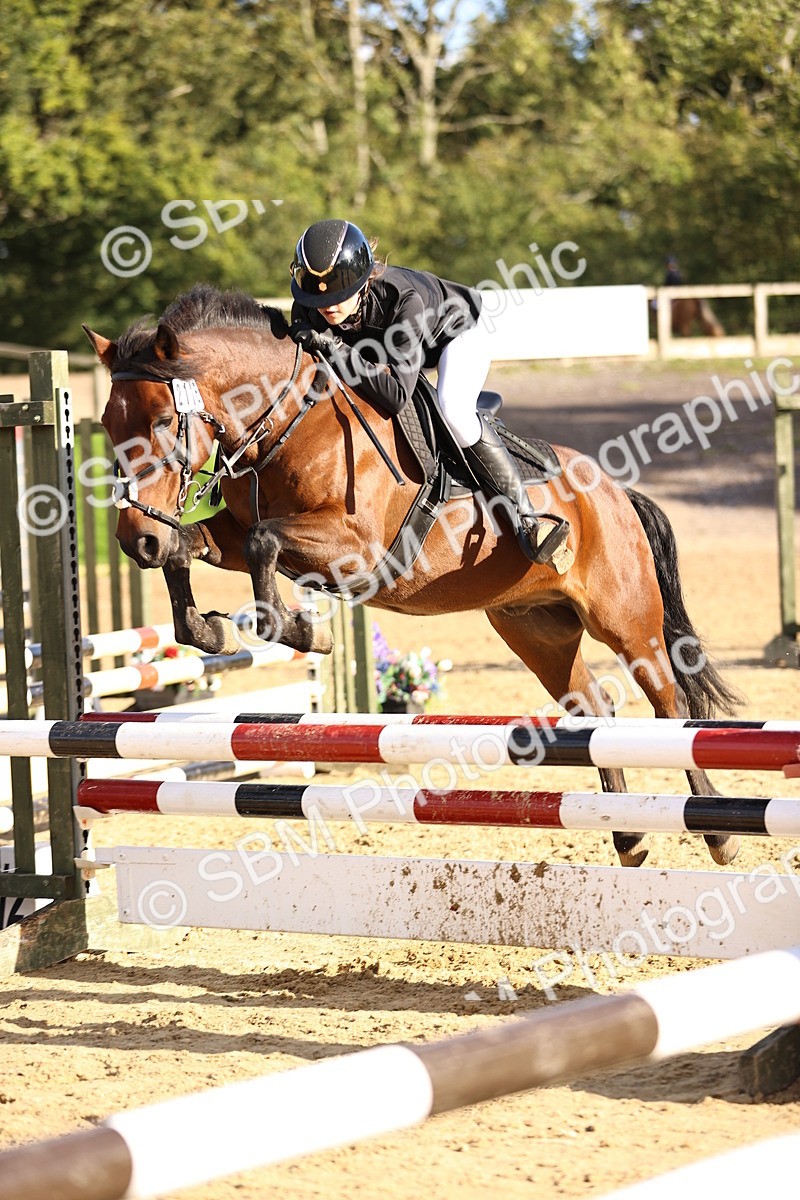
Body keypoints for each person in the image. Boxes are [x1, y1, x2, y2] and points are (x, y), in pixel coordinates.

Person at [288, 218, 569, 567]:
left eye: (338, 294)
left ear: (361, 283)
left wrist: (335, 349)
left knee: (452, 410)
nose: (327, 306)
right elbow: (302, 335)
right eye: (318, 295)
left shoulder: (403, 300)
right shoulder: (311, 303)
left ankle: (527, 519)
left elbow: (394, 396)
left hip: (457, 334)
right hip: (390, 348)